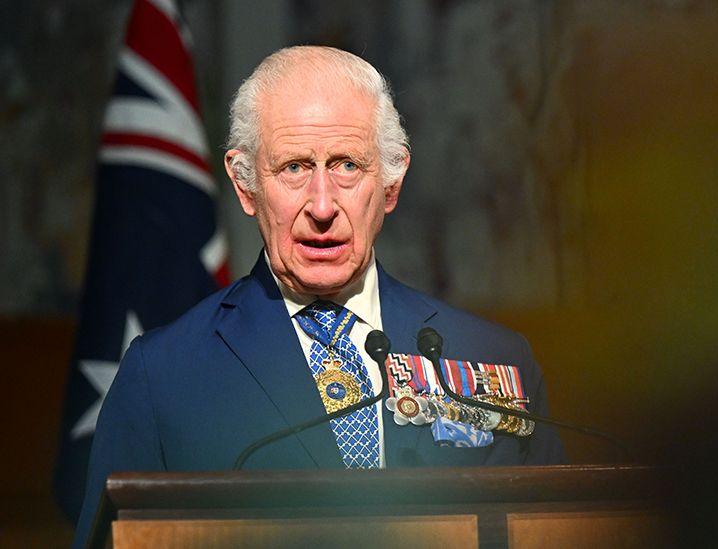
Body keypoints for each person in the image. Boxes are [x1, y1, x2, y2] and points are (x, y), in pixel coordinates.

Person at [72, 46, 564, 547]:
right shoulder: (162, 377)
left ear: (391, 184)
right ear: (245, 188)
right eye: (293, 168)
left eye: (348, 165)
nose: (323, 206)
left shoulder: (495, 358)